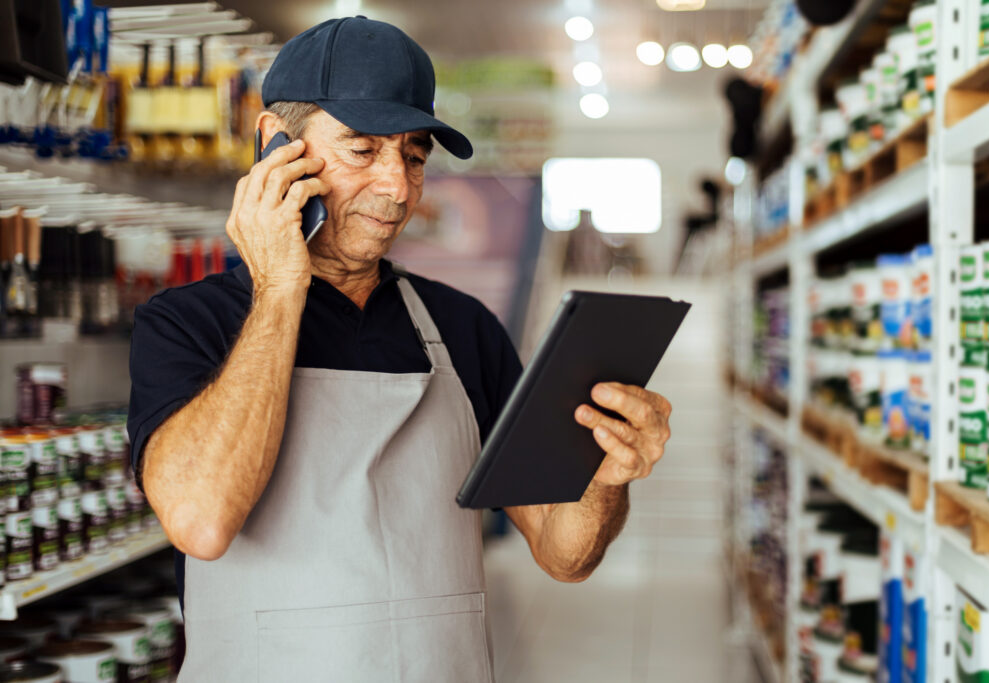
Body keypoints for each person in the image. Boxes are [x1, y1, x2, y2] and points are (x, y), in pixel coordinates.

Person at [127, 16, 673, 681]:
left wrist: (606, 477)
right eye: (362, 148)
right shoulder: (187, 324)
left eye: (414, 155)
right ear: (275, 146)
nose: (398, 187)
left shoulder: (465, 330)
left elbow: (566, 552)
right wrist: (278, 289)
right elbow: (201, 520)